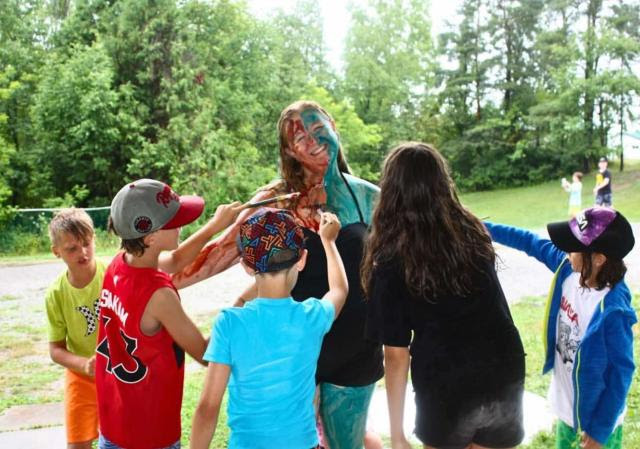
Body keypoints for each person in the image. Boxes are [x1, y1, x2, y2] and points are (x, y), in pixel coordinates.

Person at [174, 100, 384, 449]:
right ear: (288, 150)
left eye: (318, 129)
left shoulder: (367, 196)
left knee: (347, 442)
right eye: (299, 137)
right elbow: (220, 253)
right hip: (298, 343)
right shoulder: (275, 200)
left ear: (333, 125)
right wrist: (158, 279)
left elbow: (409, 252)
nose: (313, 140)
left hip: (356, 347)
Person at [363, 142, 526, 449]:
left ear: (391, 191)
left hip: (447, 382)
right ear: (442, 182)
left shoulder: (390, 257)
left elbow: (396, 357)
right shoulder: (471, 230)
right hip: (504, 368)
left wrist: (397, 434)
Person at [96, 178, 243, 449]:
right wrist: (241, 302)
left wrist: (214, 227)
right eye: (175, 221)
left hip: (115, 423)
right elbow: (204, 354)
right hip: (149, 433)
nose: (183, 224)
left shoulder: (119, 264)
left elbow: (175, 261)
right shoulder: (159, 295)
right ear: (151, 237)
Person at [190, 209, 348, 448]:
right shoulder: (311, 317)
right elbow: (339, 290)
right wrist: (328, 241)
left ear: (246, 266)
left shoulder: (230, 323)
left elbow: (207, 408)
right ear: (302, 259)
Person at [485, 206, 636, 449]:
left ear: (598, 259)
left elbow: (622, 373)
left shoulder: (614, 312)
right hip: (568, 411)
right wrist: (485, 229)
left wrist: (599, 431)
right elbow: (529, 241)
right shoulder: (568, 270)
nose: (566, 251)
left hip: (597, 423)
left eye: (573, 247)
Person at [45, 208, 105, 449]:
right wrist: (83, 364)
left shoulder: (112, 273)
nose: (82, 252)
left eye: (86, 244)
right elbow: (55, 350)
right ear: (56, 252)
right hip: (81, 378)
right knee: (77, 442)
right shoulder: (56, 294)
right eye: (72, 248)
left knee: (120, 438)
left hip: (117, 372)